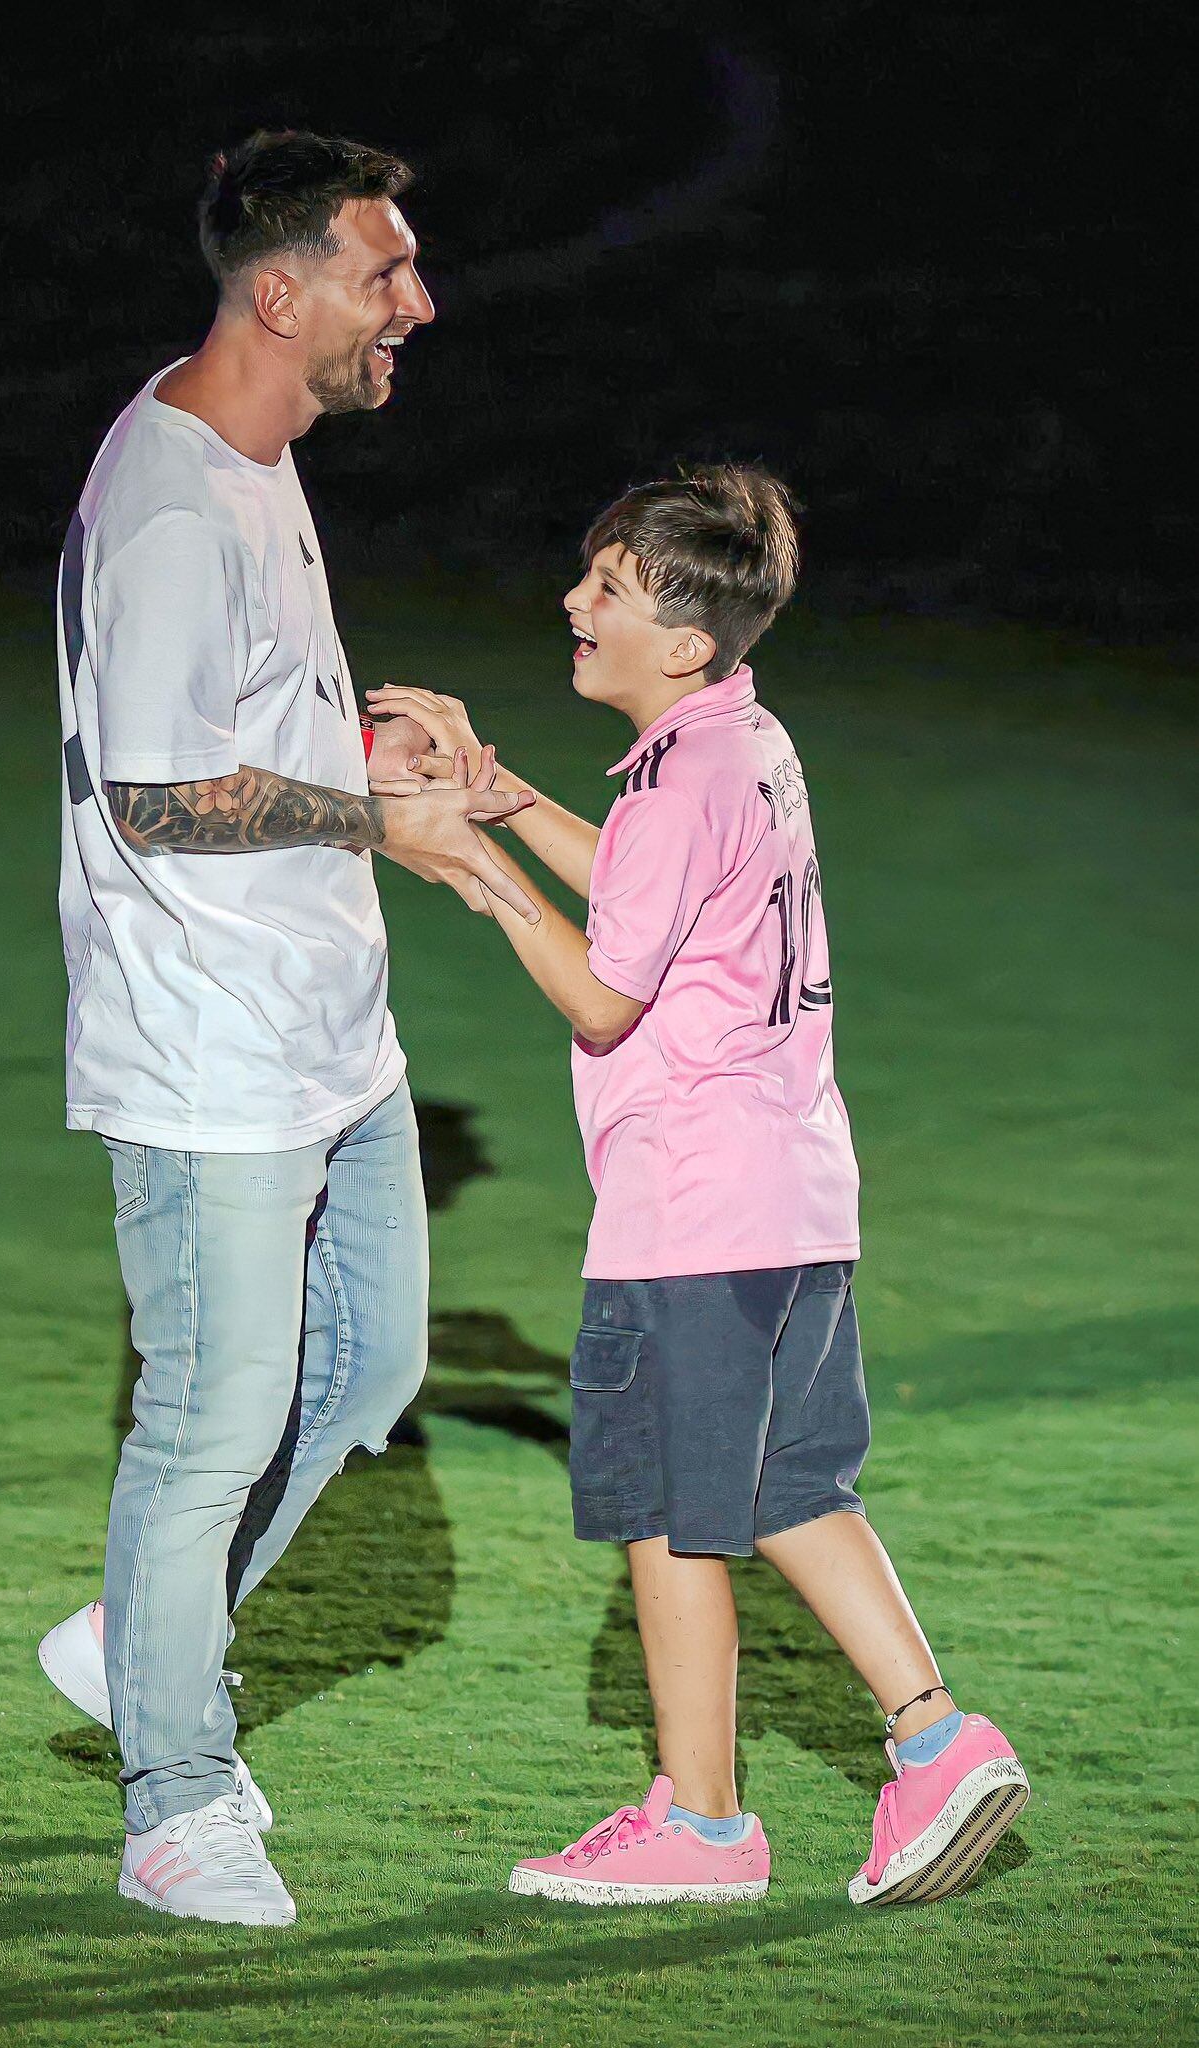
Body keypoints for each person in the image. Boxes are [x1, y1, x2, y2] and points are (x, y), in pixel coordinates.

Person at [369, 464, 1029, 1908]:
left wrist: (467, 864)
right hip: (796, 1198)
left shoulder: (683, 779)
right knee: (794, 1483)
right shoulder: (739, 743)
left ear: (683, 641)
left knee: (674, 1508)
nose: (574, 603)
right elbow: (654, 889)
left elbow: (606, 999)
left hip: (688, 1209)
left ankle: (709, 1827)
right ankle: (938, 1739)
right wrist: (513, 796)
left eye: (608, 587)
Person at [48, 129, 537, 1928]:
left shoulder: (259, 458)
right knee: (208, 1421)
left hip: (336, 1043)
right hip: (210, 1064)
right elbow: (161, 799)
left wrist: (367, 761)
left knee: (371, 1372)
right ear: (282, 293)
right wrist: (374, 821)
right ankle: (172, 1799)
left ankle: (141, 1637)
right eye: (384, 272)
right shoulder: (174, 500)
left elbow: (242, 733)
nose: (416, 300)